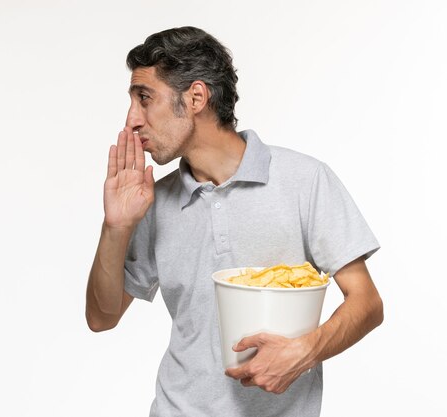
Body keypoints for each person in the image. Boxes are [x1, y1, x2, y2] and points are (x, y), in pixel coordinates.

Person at [85, 26, 383, 417]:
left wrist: (305, 351)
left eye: (144, 99)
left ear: (195, 97)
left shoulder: (304, 180)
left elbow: (368, 302)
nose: (132, 120)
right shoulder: (152, 201)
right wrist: (116, 227)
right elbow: (101, 317)